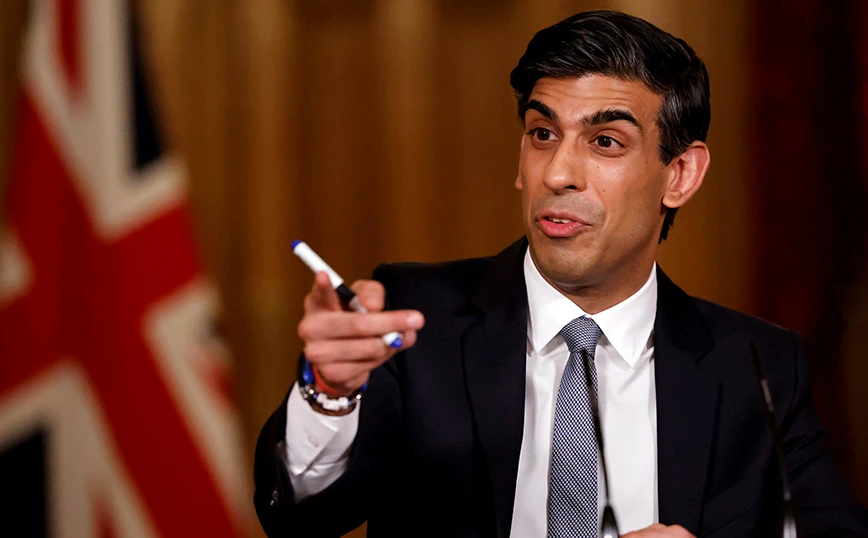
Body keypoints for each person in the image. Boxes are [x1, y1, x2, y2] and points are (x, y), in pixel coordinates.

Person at [253, 10, 868, 538]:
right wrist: (328, 396)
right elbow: (298, 519)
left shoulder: (758, 366)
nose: (557, 174)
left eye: (605, 142)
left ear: (680, 175)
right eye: (543, 134)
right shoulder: (414, 321)